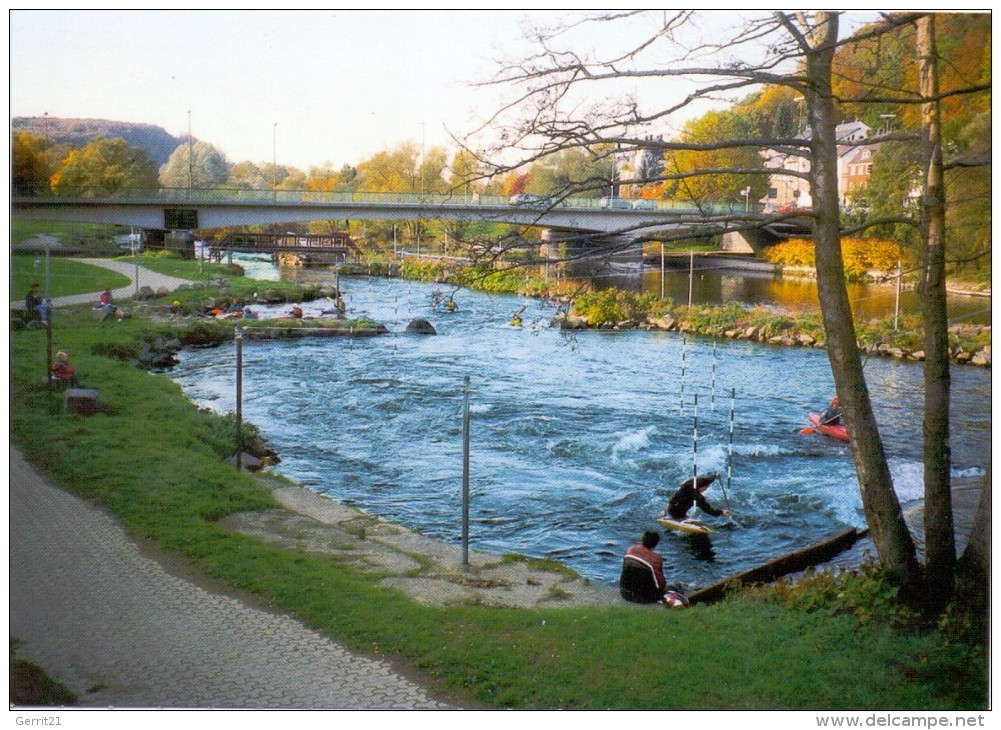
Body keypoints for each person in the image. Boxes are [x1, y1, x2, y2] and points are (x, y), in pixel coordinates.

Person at [619, 530, 667, 604]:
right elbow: (660, 585)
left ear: (642, 539)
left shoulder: (630, 550)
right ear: (655, 544)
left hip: (624, 592)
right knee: (676, 586)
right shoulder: (656, 559)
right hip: (644, 598)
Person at [665, 472, 731, 521]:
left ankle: (681, 517)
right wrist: (721, 512)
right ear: (699, 487)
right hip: (673, 512)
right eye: (705, 487)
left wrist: (715, 476)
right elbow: (707, 509)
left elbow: (708, 480)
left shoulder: (693, 486)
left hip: (680, 512)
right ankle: (673, 517)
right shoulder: (690, 492)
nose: (706, 489)